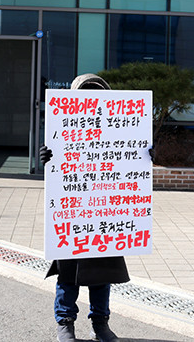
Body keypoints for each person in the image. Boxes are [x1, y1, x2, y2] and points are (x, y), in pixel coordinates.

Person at [40, 73, 129, 342]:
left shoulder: (120, 128)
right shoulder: (64, 126)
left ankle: (100, 324)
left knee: (103, 275)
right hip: (73, 213)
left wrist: (144, 155)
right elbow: (56, 168)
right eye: (86, 94)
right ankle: (65, 323)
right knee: (68, 275)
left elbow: (129, 162)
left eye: (97, 94)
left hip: (105, 213)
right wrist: (47, 158)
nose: (92, 100)